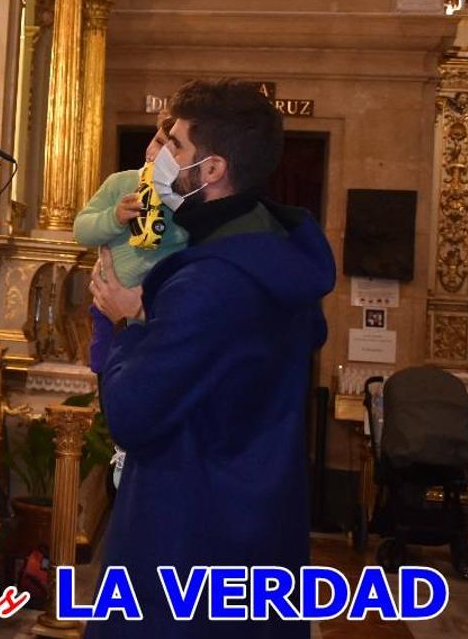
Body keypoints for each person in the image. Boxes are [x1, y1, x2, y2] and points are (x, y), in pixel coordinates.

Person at [87, 79, 335, 638]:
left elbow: (132, 413)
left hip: (188, 534)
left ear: (213, 168)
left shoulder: (210, 281)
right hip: (255, 516)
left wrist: (129, 322)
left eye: (173, 145)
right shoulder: (275, 249)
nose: (156, 157)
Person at [74, 110, 189, 376]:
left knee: (145, 373)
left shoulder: (185, 198)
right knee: (106, 367)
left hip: (157, 309)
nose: (157, 153)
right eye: (158, 141)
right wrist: (114, 217)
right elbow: (82, 229)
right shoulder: (122, 182)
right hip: (107, 302)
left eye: (170, 152)